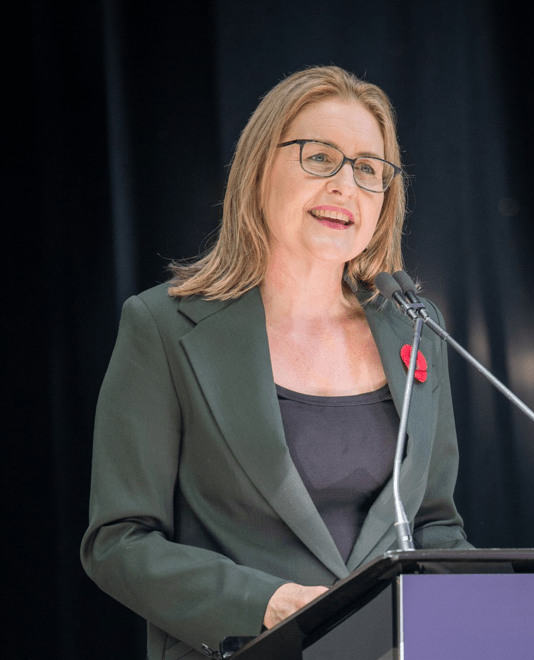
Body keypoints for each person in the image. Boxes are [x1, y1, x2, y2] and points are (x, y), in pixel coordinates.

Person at [81, 65, 471, 659]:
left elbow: (436, 526)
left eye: (369, 169)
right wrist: (265, 602)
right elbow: (120, 541)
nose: (346, 185)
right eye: (321, 158)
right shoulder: (161, 326)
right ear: (261, 167)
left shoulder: (415, 328)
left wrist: (494, 613)